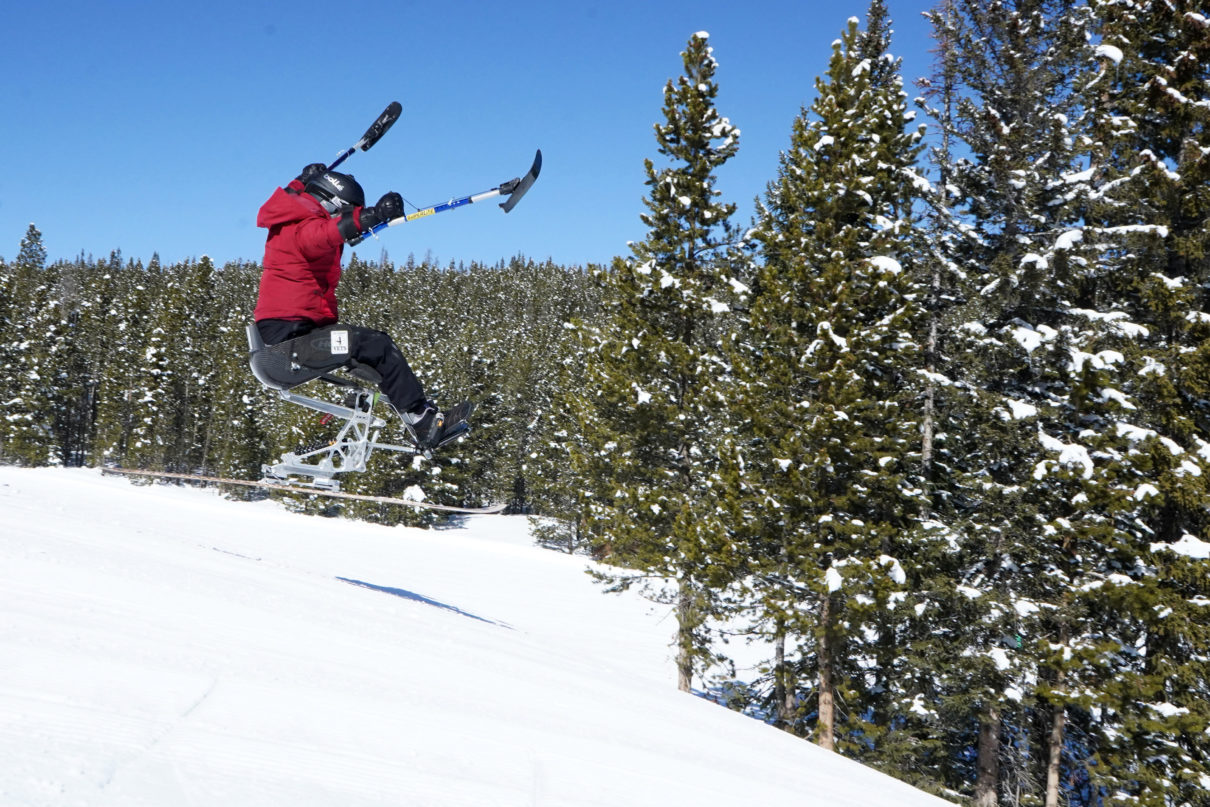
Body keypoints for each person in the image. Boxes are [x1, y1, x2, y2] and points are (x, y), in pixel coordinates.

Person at [252, 163, 462, 449]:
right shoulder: (303, 227)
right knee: (378, 345)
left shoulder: (291, 214)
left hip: (294, 336)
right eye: (345, 211)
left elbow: (309, 211)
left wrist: (301, 180)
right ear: (332, 204)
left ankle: (377, 406)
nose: (344, 217)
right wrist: (371, 216)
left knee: (365, 347)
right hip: (290, 342)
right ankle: (420, 420)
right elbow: (326, 234)